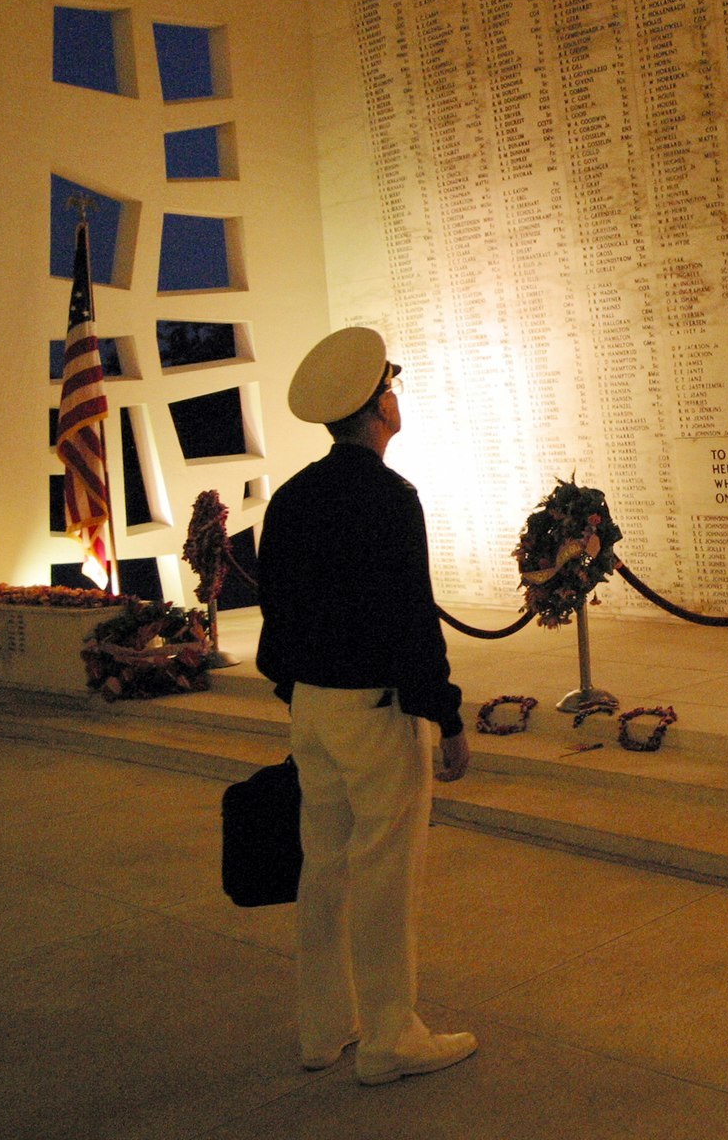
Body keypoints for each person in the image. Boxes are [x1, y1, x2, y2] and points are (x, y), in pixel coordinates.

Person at [257, 326, 476, 1086]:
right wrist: (444, 715)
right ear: (377, 406)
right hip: (375, 712)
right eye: (393, 384)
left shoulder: (291, 498)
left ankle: (323, 1029)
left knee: (325, 867)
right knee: (385, 873)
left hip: (312, 708)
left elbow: (274, 612)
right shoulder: (389, 499)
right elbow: (410, 618)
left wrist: (295, 690)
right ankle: (389, 1036)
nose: (395, 394)